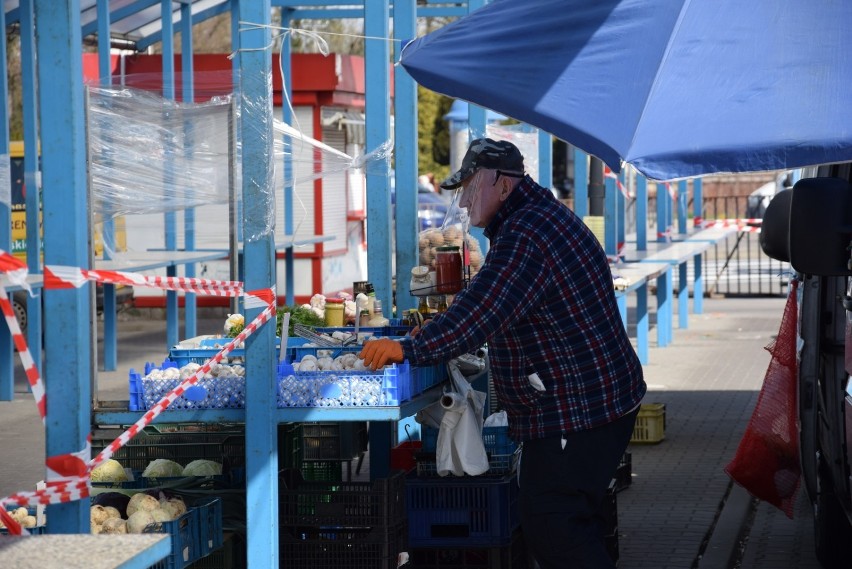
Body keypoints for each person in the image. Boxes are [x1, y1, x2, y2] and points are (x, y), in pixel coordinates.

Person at [361, 137, 646, 569]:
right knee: (564, 522)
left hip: (581, 408)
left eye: (472, 187)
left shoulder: (527, 234)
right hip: (590, 401)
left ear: (504, 185)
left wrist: (408, 347)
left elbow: (481, 314)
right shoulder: (531, 221)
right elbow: (491, 297)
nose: (465, 200)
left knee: (556, 526)